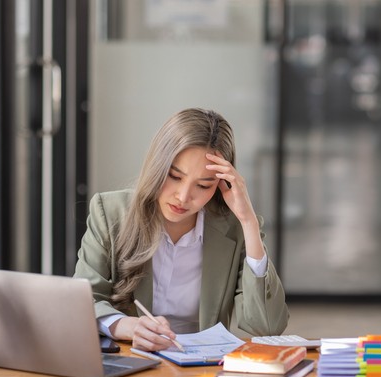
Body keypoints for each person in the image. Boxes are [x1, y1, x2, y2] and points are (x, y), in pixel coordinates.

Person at [74, 108, 288, 351]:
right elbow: (83, 301)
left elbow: (267, 326)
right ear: (158, 166)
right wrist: (126, 326)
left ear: (221, 185)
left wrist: (248, 221)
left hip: (202, 370)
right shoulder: (110, 212)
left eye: (203, 185)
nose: (184, 197)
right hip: (128, 360)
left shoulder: (234, 228)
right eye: (175, 176)